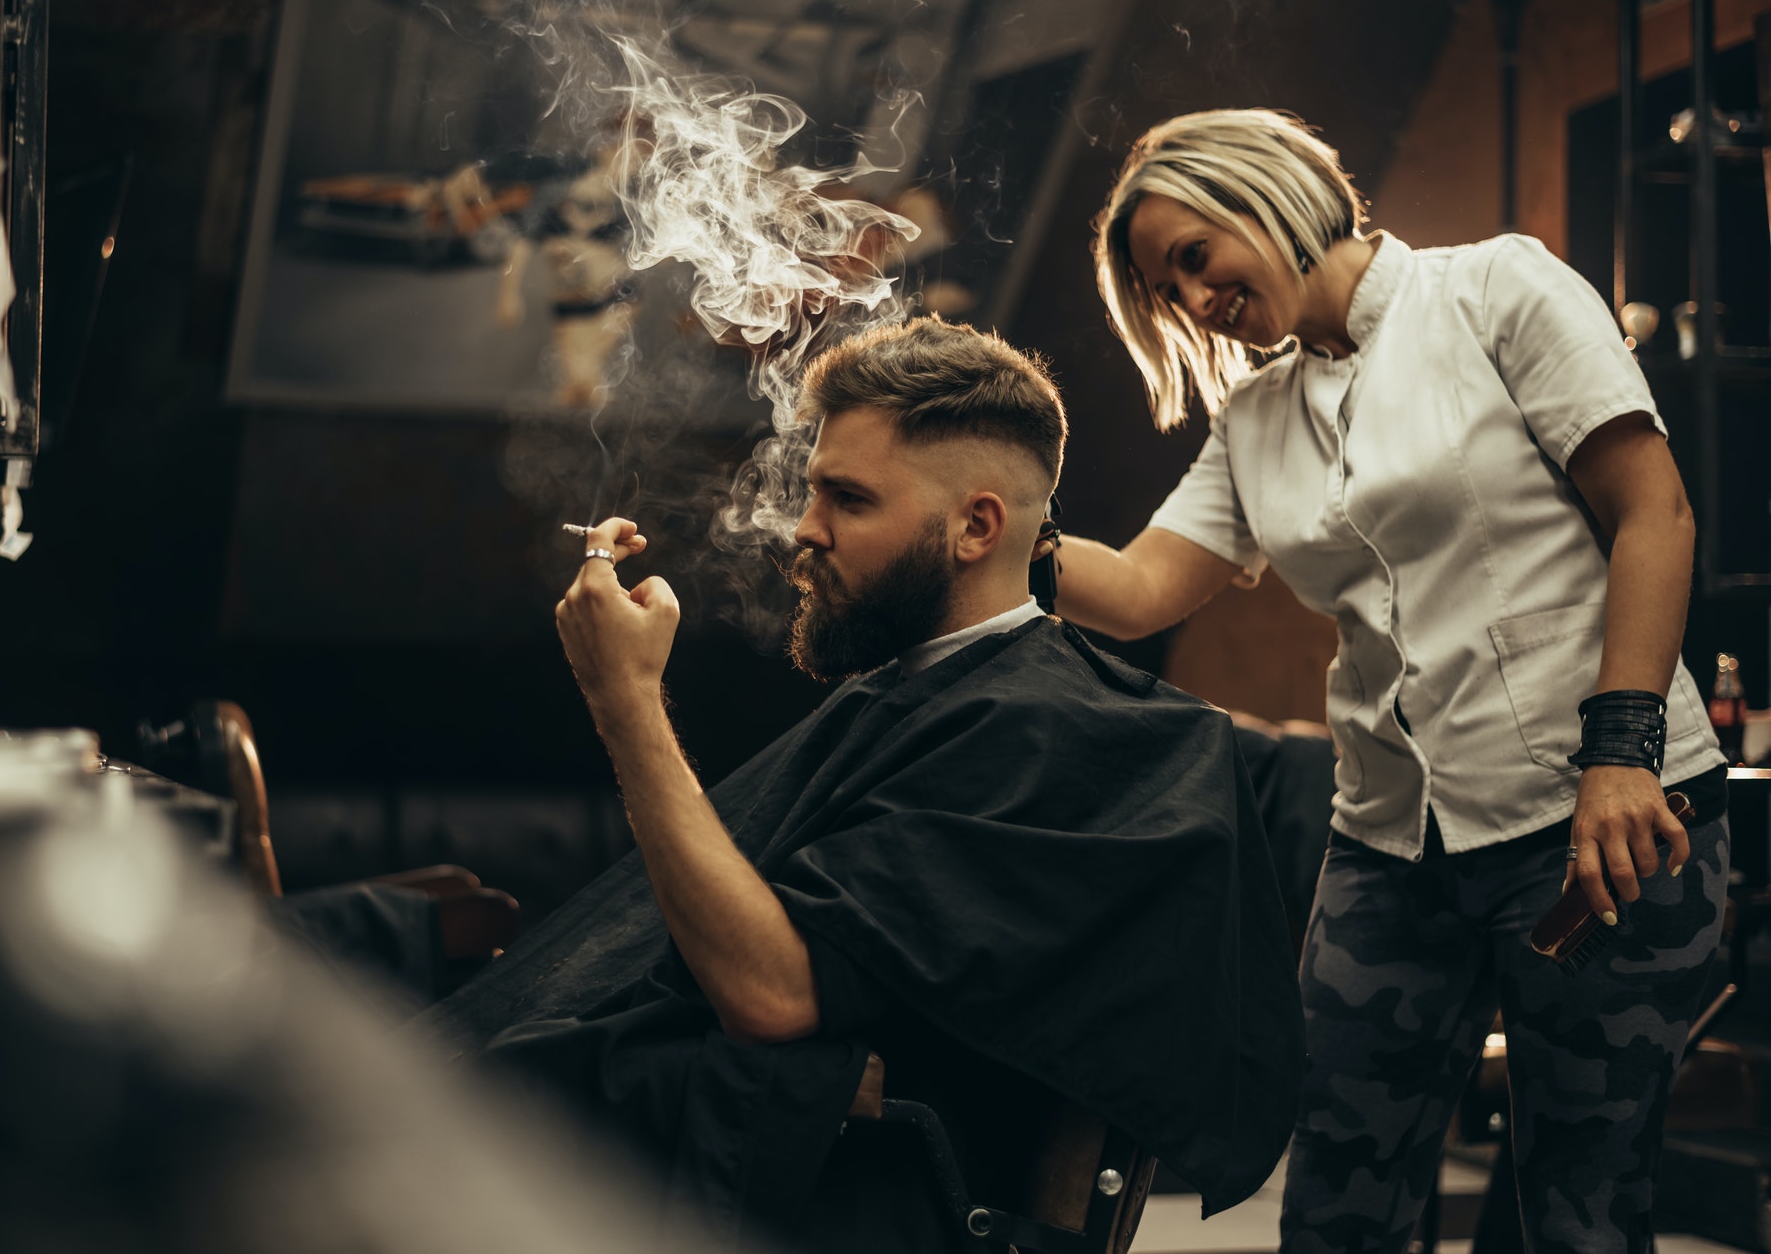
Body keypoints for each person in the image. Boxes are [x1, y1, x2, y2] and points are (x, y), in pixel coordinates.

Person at [430, 317, 1304, 1250]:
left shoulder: (1049, 736)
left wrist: (628, 701)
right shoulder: (917, 695)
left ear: (977, 526)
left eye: (847, 498)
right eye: (813, 492)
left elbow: (772, 994)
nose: (805, 530)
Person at [1058, 107, 1729, 1254]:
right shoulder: (1254, 416)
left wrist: (1621, 754)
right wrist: (965, 524)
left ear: (1260, 191)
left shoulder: (1492, 290)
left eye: (1190, 255)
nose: (1189, 297)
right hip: (1386, 849)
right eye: (1163, 288)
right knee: (1331, 1205)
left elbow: (1651, 512)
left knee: (1573, 1207)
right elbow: (1130, 589)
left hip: (1595, 819)